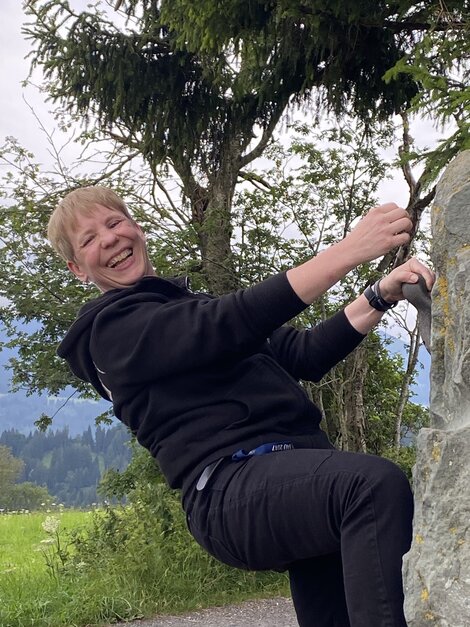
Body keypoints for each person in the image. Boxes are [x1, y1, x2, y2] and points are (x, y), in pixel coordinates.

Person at [48, 186, 434, 627]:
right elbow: (227, 322)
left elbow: (305, 353)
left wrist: (380, 296)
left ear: (137, 228)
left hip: (295, 476)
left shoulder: (193, 306)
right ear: (77, 268)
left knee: (338, 588)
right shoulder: (110, 333)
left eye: (114, 223)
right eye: (90, 239)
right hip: (228, 490)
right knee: (367, 487)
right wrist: (350, 250)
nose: (110, 239)